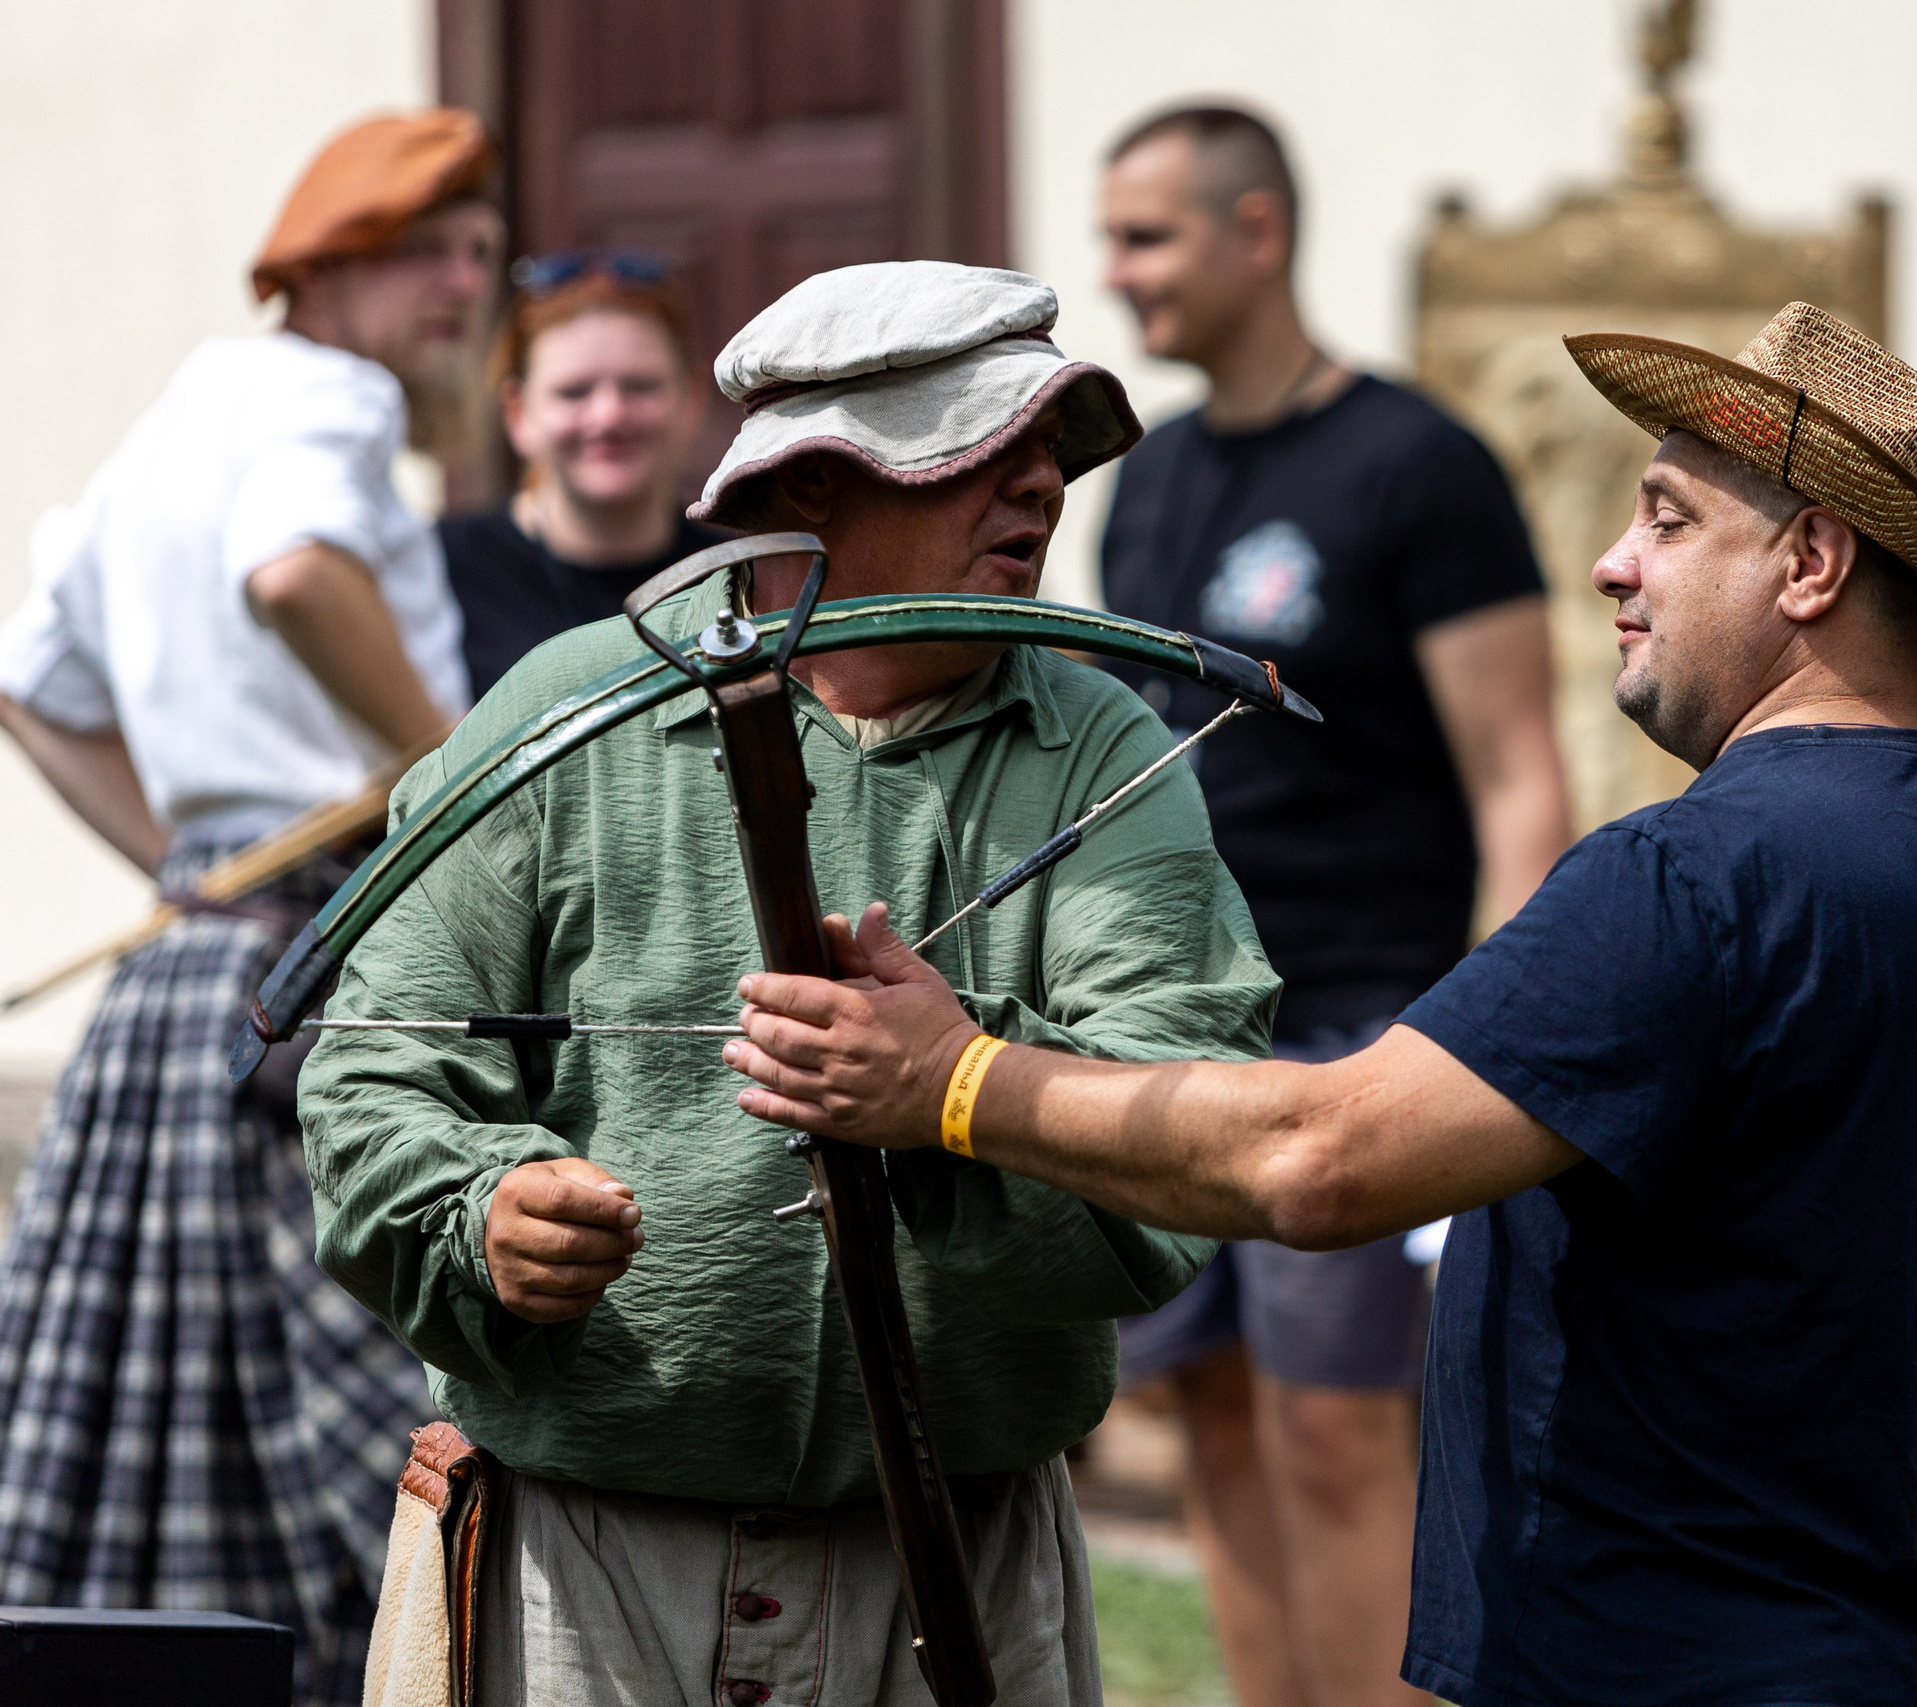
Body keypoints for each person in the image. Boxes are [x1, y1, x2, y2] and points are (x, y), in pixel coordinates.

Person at [722, 303, 1917, 1707]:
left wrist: (954, 1081)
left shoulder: (1686, 875)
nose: (1615, 564)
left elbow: (1324, 1156)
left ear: (1812, 561)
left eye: (1670, 519)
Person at [297, 260, 1275, 1707]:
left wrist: (957, 1088)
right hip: (590, 1556)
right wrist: (480, 1212)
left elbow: (1186, 1108)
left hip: (961, 1556)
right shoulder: (567, 714)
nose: (1040, 491)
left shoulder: (1099, 744)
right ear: (812, 483)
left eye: (1050, 454)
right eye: (982, 454)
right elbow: (378, 1060)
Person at [0, 111, 494, 1705]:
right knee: (376, 1411)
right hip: (314, 970)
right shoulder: (326, 407)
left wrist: (179, 861)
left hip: (191, 977)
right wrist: (457, 774)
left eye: (481, 256)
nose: (465, 291)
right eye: (430, 253)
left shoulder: (176, 421)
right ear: (328, 268)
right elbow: (295, 571)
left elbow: (27, 681)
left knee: (159, 1417)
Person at [1096, 105, 1572, 1707]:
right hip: (1175, 1025)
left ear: (1257, 232)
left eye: (1148, 235)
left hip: (1363, 1022)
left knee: (1338, 1416)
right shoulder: (1146, 481)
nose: (1118, 271)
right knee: (1209, 1405)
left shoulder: (1417, 464)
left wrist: (1505, 1041)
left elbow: (1519, 770)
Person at [439, 249, 726, 699]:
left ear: (691, 399)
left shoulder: (740, 578)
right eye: (573, 392)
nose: (608, 416)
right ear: (518, 414)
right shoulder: (436, 570)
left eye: (640, 386)